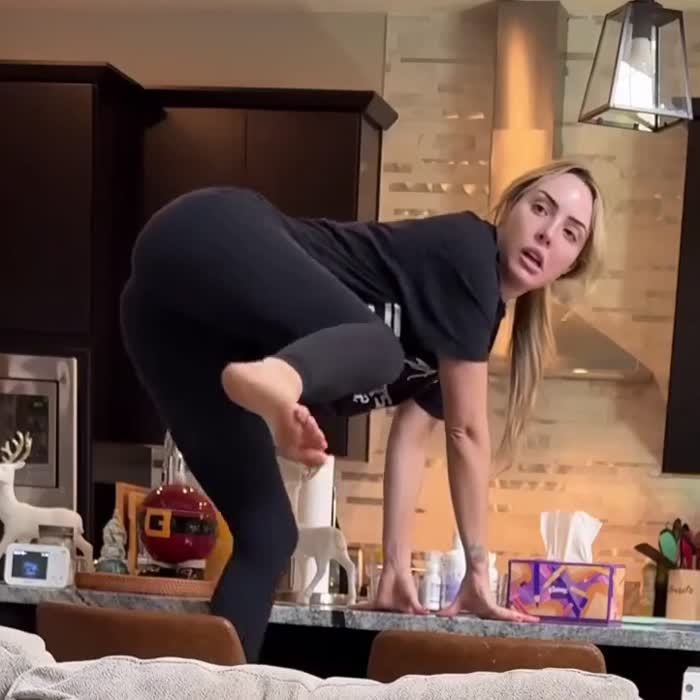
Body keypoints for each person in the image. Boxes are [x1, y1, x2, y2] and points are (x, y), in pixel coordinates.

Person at [119, 159, 605, 662]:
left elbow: (412, 438)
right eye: (540, 208)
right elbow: (466, 432)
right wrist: (478, 573)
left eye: (570, 233)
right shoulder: (469, 251)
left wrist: (395, 567)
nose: (547, 234)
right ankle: (281, 378)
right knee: (382, 351)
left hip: (171, 323)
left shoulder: (464, 328)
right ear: (510, 208)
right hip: (207, 232)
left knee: (269, 534)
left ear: (572, 264)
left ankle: (211, 689)